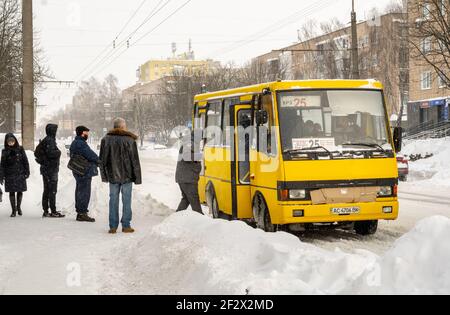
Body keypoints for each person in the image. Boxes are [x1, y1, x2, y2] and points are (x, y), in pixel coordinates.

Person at [100, 118, 142, 234]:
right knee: (127, 200)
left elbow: (102, 160)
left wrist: (104, 176)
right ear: (123, 127)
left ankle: (113, 226)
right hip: (127, 176)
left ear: (114, 127)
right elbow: (135, 161)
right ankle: (126, 225)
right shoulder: (130, 140)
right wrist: (137, 177)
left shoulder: (106, 140)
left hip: (112, 176)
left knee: (113, 200)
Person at [70, 126, 100, 223]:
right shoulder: (80, 144)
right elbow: (90, 155)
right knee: (84, 191)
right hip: (83, 171)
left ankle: (80, 212)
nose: (87, 134)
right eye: (86, 132)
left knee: (80, 190)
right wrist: (99, 161)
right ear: (83, 133)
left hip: (78, 170)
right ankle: (82, 213)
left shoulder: (76, 142)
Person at [36, 124, 65, 218]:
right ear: (52, 131)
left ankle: (46, 210)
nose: (56, 132)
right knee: (52, 190)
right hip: (50, 169)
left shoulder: (47, 139)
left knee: (47, 190)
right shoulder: (50, 140)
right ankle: (53, 211)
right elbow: (51, 153)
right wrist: (59, 152)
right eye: (55, 130)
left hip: (46, 169)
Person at [0, 134, 30, 217]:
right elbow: (2, 164)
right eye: (9, 142)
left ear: (15, 140)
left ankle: (19, 207)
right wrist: (1, 176)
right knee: (11, 192)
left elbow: (25, 161)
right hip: (9, 175)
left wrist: (27, 171)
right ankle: (13, 210)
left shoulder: (20, 149)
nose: (11, 143)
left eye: (12, 141)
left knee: (20, 191)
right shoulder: (4, 151)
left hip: (20, 173)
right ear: (6, 142)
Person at [175, 131, 203, 215]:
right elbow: (186, 156)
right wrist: (200, 156)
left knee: (186, 199)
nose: (201, 140)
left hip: (186, 177)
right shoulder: (189, 143)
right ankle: (201, 219)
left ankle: (176, 217)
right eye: (201, 138)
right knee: (194, 199)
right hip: (187, 179)